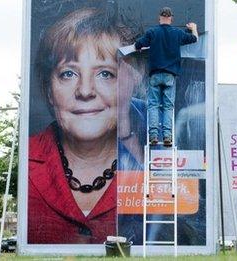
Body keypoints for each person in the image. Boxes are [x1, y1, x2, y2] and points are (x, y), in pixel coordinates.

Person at [28, 7, 143, 244]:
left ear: (132, 84)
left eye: (105, 74)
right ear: (49, 90)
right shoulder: (26, 160)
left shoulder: (159, 162)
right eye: (68, 73)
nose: (85, 91)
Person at [134, 7, 198, 146]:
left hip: (155, 75)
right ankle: (168, 136)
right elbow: (194, 39)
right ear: (171, 18)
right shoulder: (177, 33)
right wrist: (194, 28)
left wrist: (139, 47)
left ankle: (153, 136)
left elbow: (138, 44)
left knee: (153, 106)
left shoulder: (152, 32)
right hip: (170, 76)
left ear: (159, 18)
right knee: (168, 107)